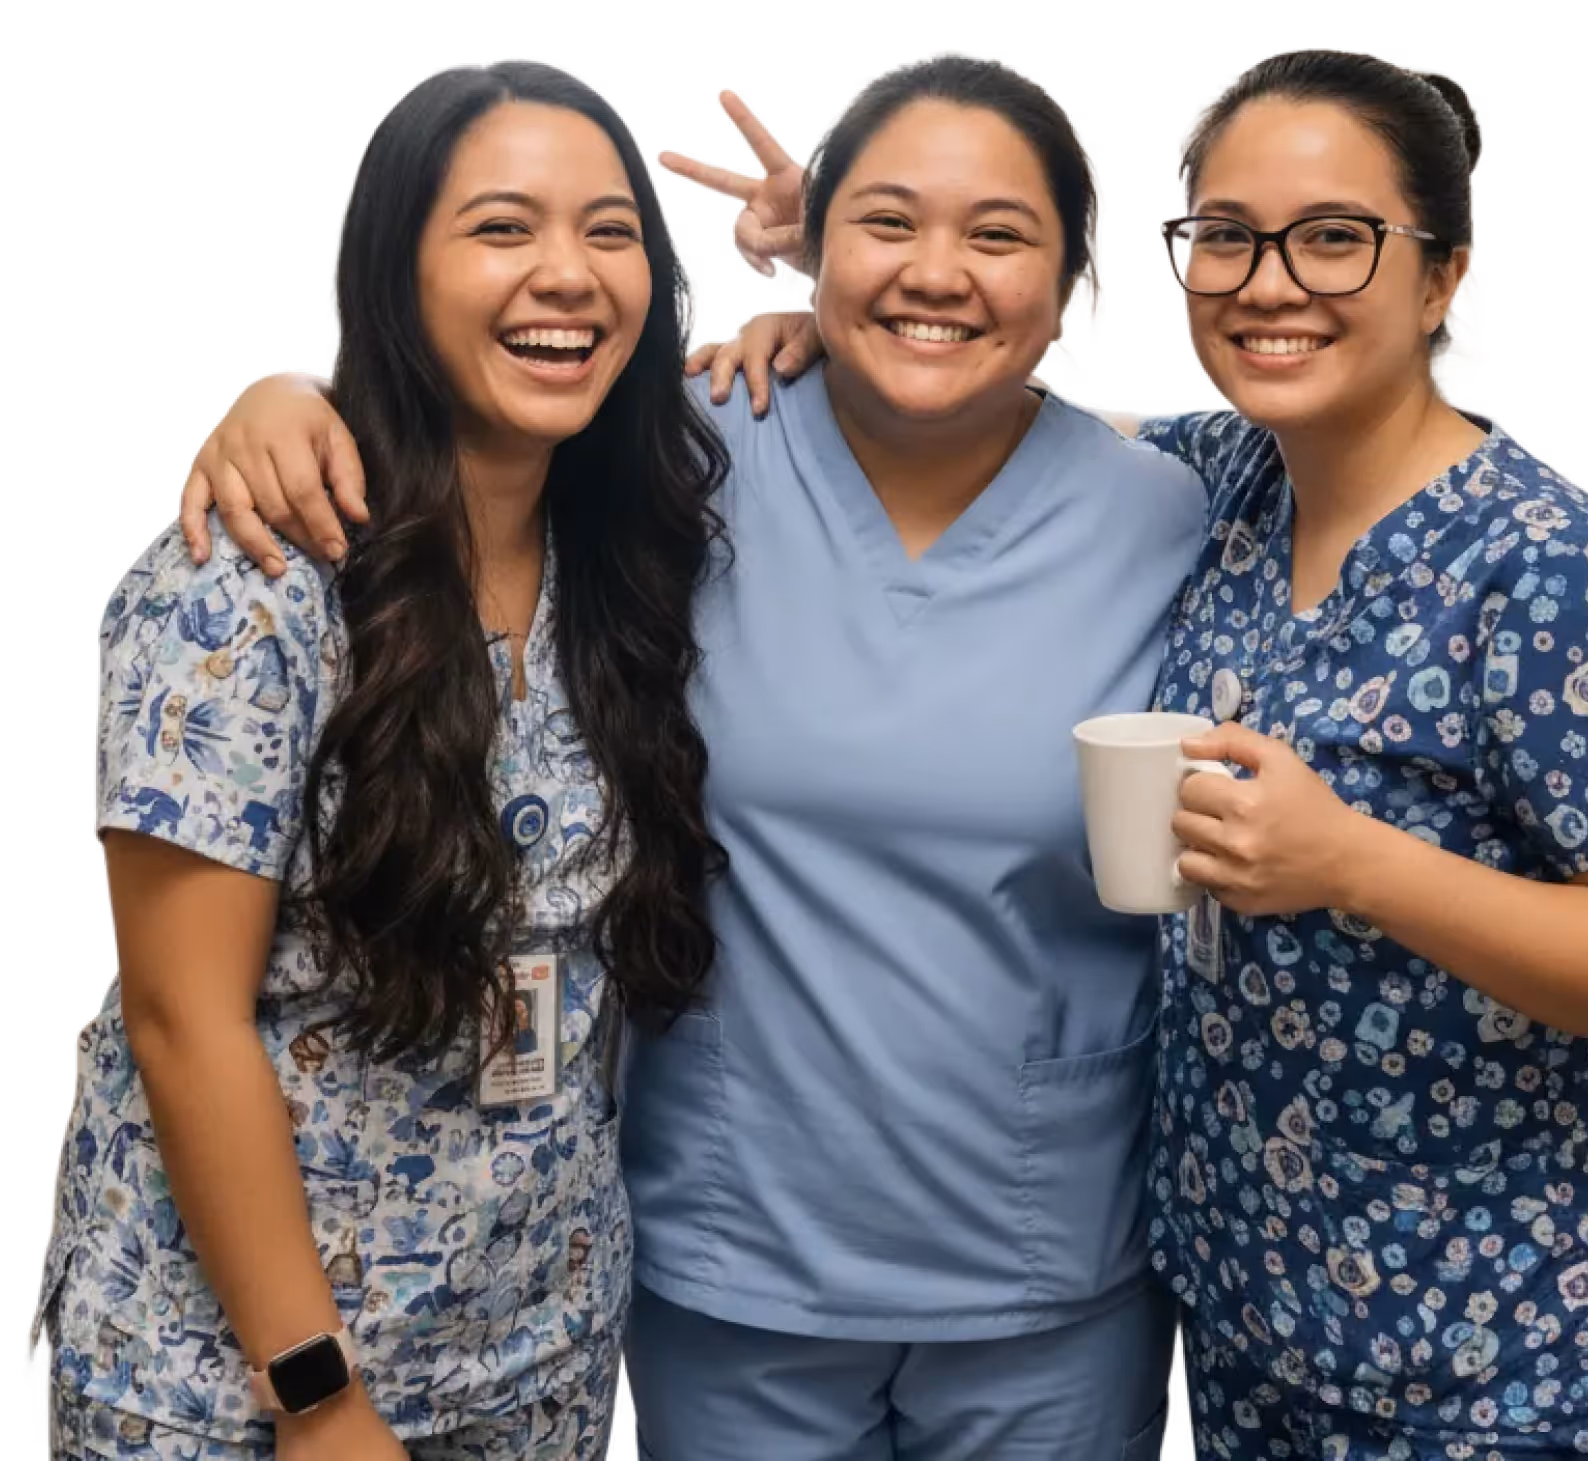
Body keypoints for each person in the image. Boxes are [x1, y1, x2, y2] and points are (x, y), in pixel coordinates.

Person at [669, 48, 1588, 1461]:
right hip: (1245, 1308)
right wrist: (865, 286)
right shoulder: (1232, 481)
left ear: (1446, 280)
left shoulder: (1552, 575)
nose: (1268, 281)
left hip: (1498, 1337)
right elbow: (989, 410)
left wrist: (1357, 864)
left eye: (1335, 239)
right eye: (1227, 238)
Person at [143, 51, 1210, 1461]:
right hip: (730, 1250)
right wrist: (287, 389)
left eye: (1000, 234)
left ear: (1085, 281)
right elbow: (456, 423)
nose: (940, 271)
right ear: (806, 256)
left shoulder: (1174, 510)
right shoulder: (684, 449)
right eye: (885, 223)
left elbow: (1351, 436)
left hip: (1046, 1249)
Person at [31, 57, 732, 1460]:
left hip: (538, 1350)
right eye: (499, 228)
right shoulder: (249, 580)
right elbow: (185, 1020)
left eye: (610, 233)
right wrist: (319, 1394)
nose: (567, 275)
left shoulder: (630, 552)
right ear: (389, 271)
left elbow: (933, 390)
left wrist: (827, 304)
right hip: (236, 1380)